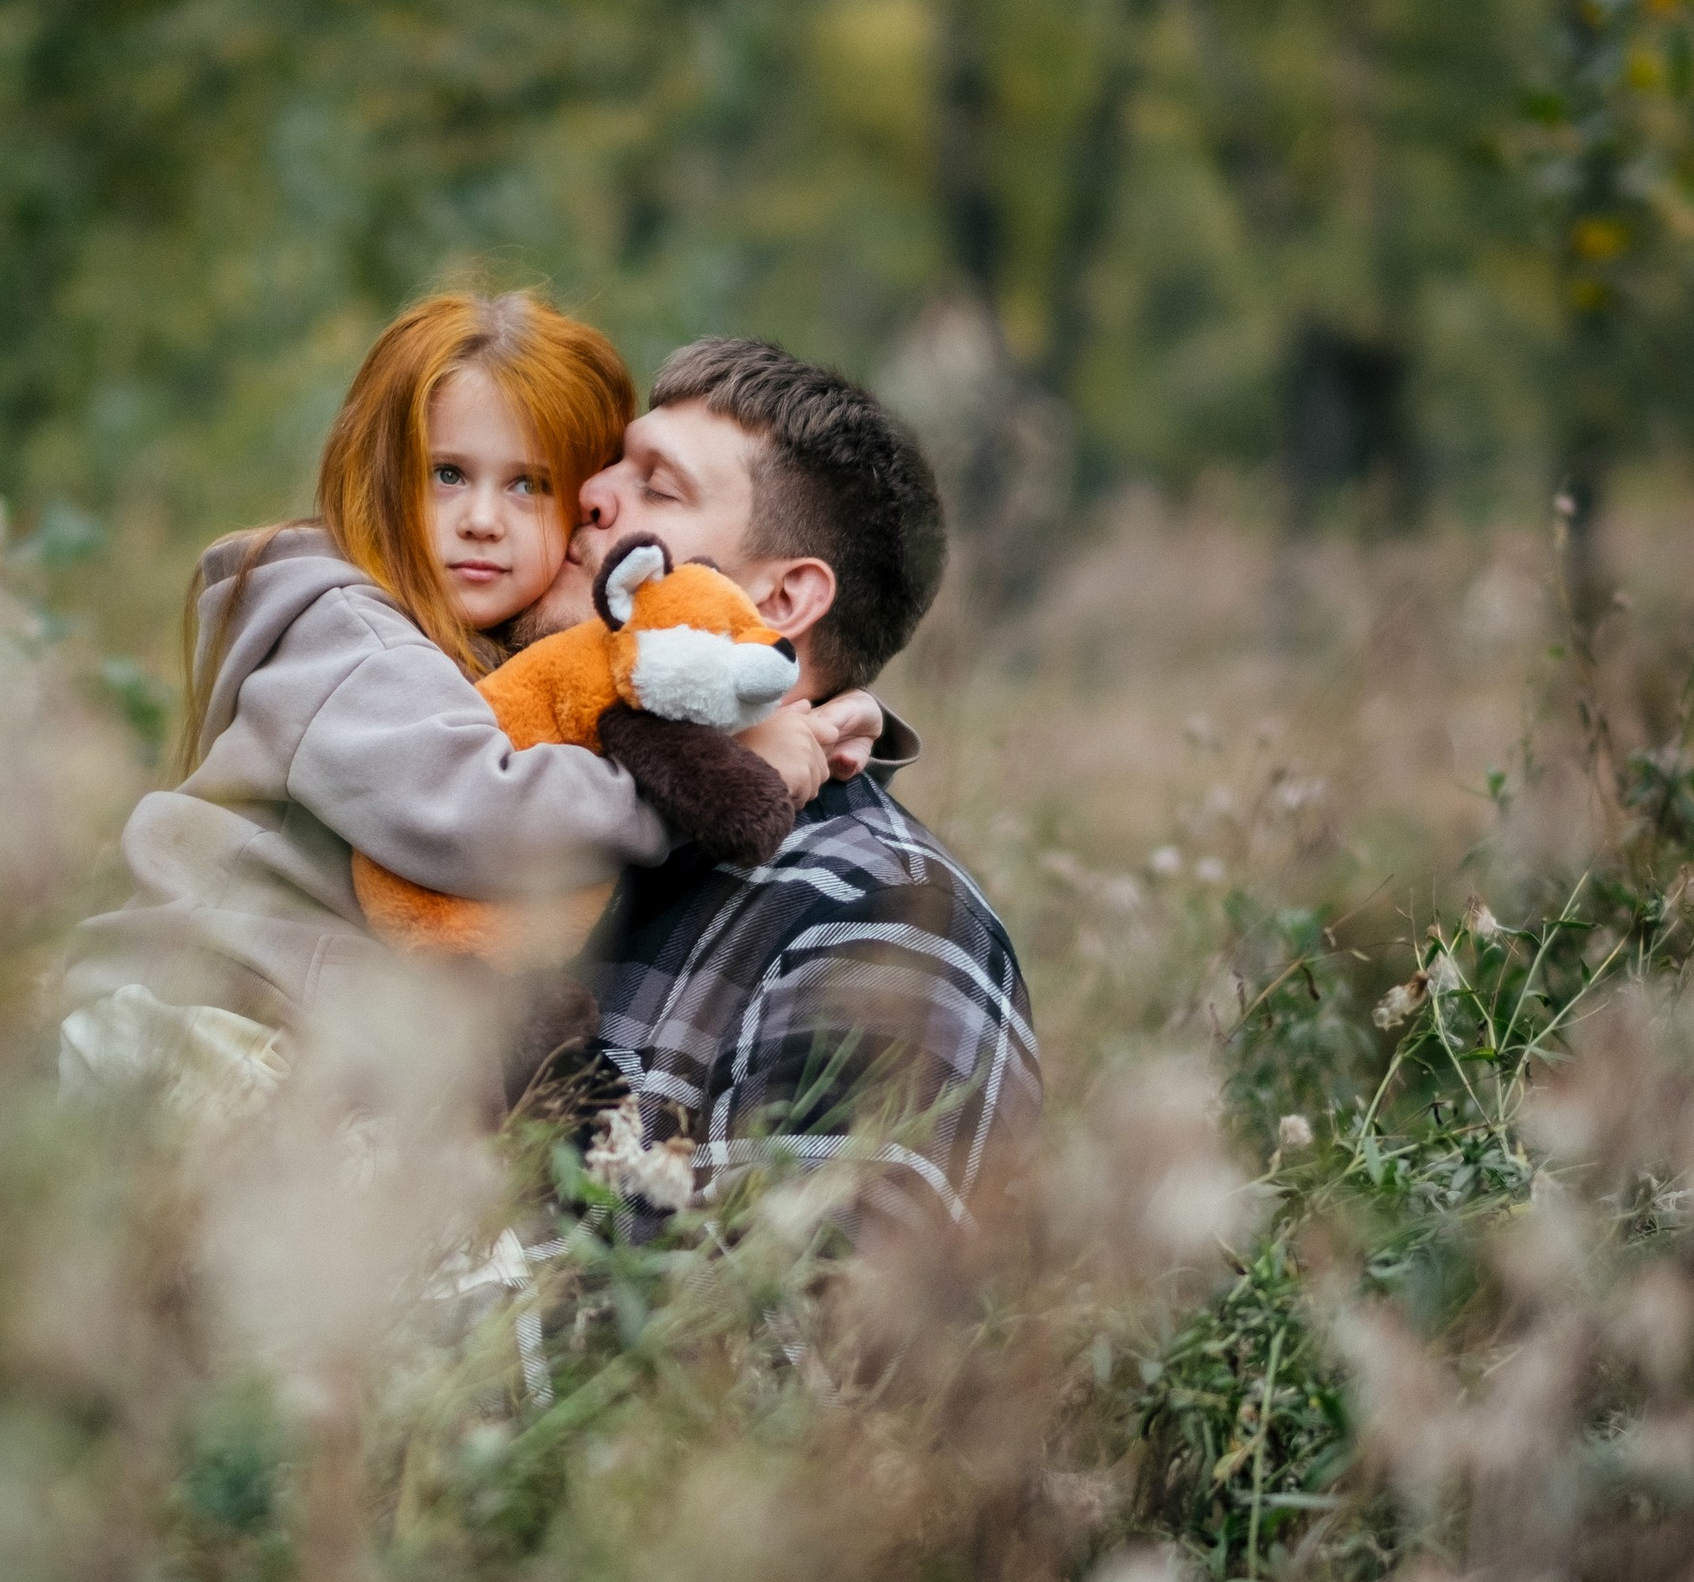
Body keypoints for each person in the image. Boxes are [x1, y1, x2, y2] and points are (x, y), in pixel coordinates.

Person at [59, 282, 847, 1103]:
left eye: (528, 486)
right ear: (382, 478)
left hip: (279, 1040)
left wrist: (801, 715)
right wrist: (714, 786)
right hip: (196, 1022)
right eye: (446, 475)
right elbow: (483, 818)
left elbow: (626, 688)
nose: (481, 519)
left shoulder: (488, 646)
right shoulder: (346, 638)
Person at [536, 336, 1037, 1232]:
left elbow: (814, 1346)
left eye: (658, 486)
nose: (590, 493)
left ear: (779, 604)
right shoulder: (521, 803)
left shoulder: (882, 927)